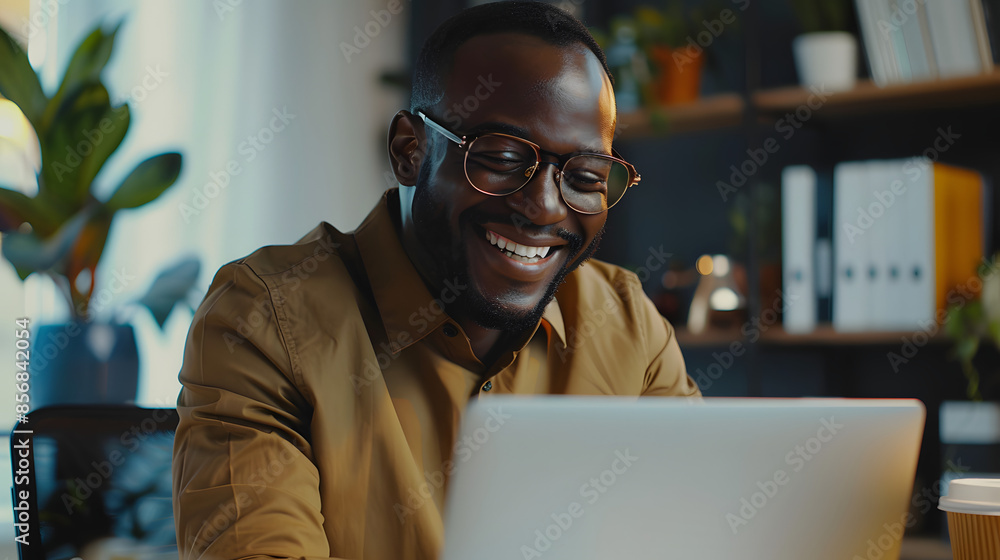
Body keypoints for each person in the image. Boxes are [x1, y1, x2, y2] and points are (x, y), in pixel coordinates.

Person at [172, 2, 700, 559]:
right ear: (409, 151)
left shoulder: (626, 320)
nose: (544, 208)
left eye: (586, 176)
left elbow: (701, 532)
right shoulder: (264, 319)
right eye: (499, 157)